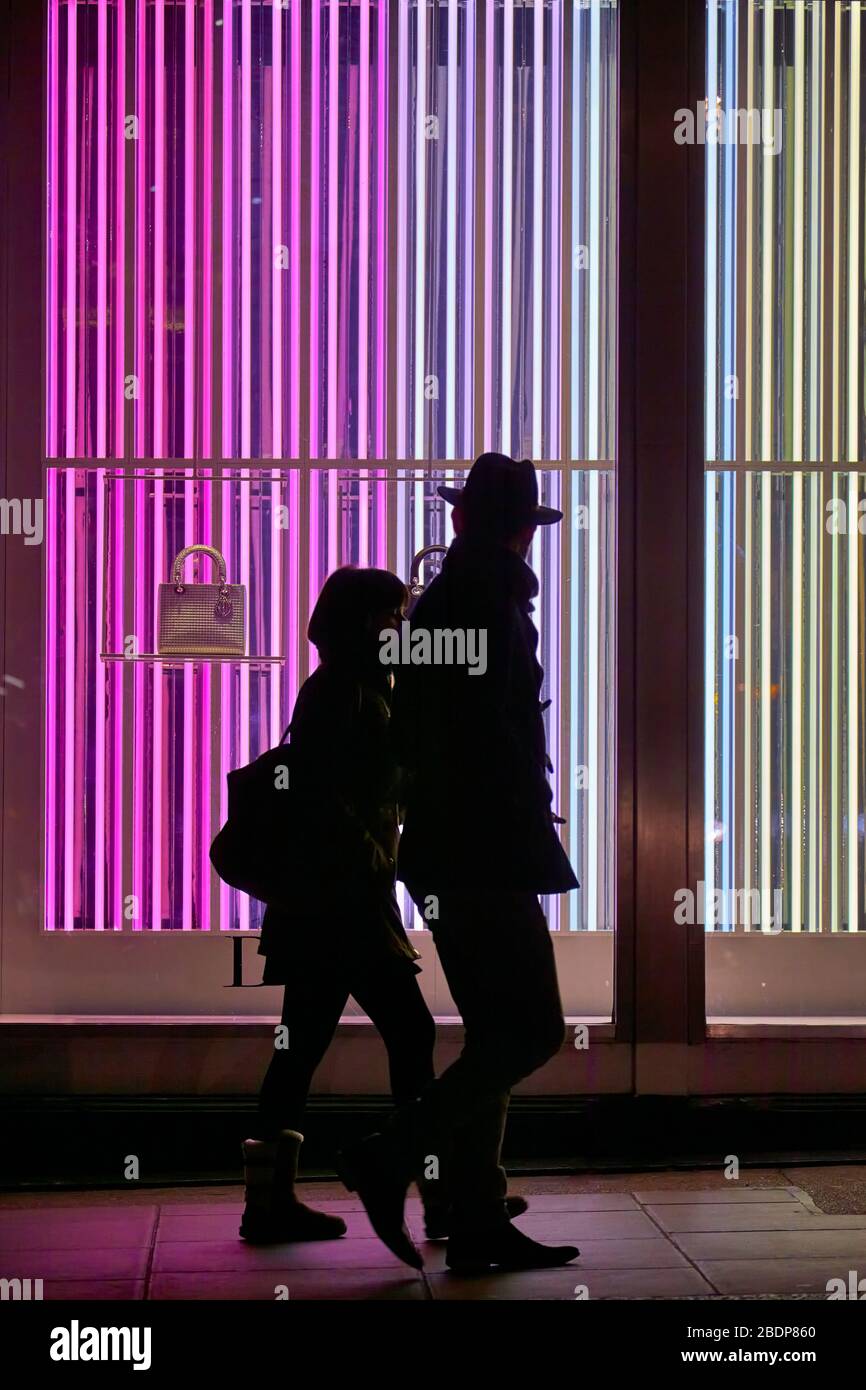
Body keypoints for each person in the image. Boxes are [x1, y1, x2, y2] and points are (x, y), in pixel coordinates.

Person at [336, 453, 581, 1274]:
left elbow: (422, 733)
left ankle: (476, 1217)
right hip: (487, 849)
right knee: (534, 1027)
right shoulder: (491, 599)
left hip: (446, 849)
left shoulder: (446, 601)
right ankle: (391, 1155)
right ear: (522, 531)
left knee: (494, 1031)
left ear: (460, 519)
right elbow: (494, 734)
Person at [239, 566, 437, 1245]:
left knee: (302, 1044)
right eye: (393, 615)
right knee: (410, 1034)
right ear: (365, 624)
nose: (401, 627)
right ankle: (431, 1188)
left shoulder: (350, 689)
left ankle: (268, 1203)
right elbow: (332, 795)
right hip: (345, 900)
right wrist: (376, 857)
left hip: (325, 902)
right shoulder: (346, 694)